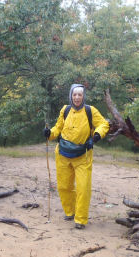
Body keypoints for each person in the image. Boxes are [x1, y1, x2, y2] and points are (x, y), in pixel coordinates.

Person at [43, 84, 109, 229]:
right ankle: (70, 211)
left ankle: (80, 219)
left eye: (80, 95)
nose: (77, 97)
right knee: (64, 186)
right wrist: (50, 134)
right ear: (71, 96)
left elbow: (104, 124)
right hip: (63, 154)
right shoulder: (65, 110)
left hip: (83, 155)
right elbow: (57, 128)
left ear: (83, 96)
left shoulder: (90, 110)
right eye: (75, 95)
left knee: (83, 188)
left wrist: (97, 136)